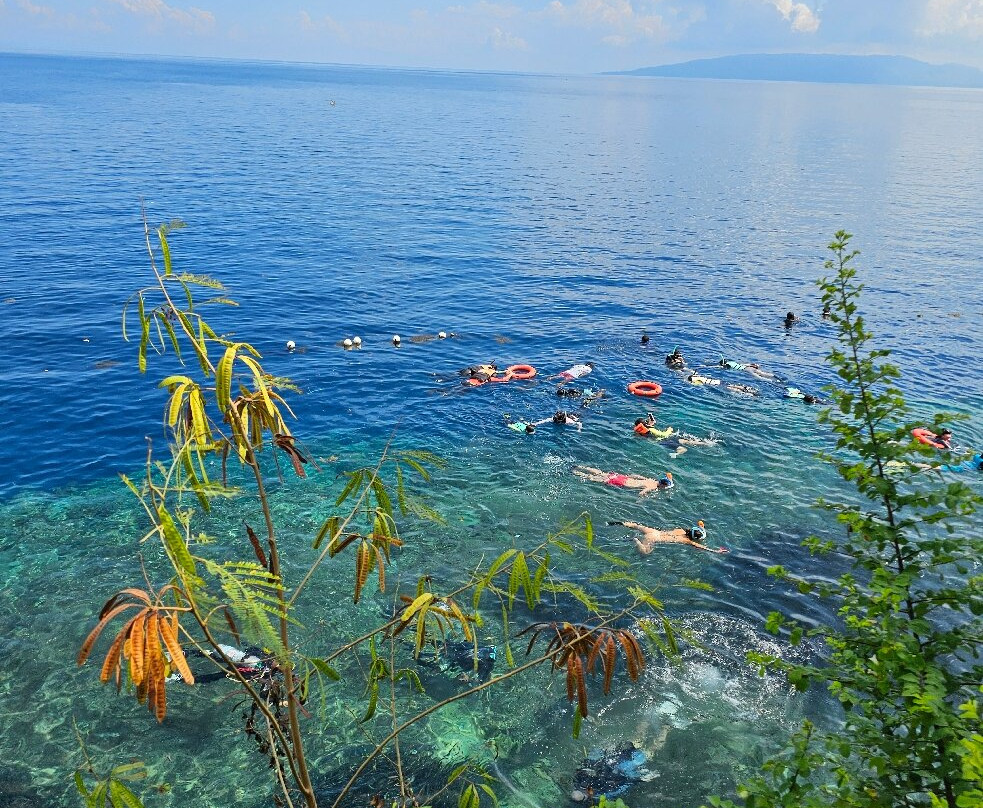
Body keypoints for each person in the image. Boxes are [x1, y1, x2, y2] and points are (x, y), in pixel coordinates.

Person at [610, 519, 727, 555]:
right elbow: (701, 547)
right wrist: (716, 551)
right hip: (653, 539)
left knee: (635, 526)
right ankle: (635, 540)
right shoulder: (686, 541)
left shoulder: (680, 530)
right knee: (645, 553)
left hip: (653, 531)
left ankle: (619, 523)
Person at [572, 466, 667, 497]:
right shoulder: (653, 487)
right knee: (592, 478)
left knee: (601, 473)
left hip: (623, 478)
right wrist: (642, 498)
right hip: (622, 483)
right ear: (662, 485)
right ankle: (576, 472)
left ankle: (580, 467)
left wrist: (627, 476)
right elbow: (641, 492)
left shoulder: (651, 479)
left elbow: (636, 476)